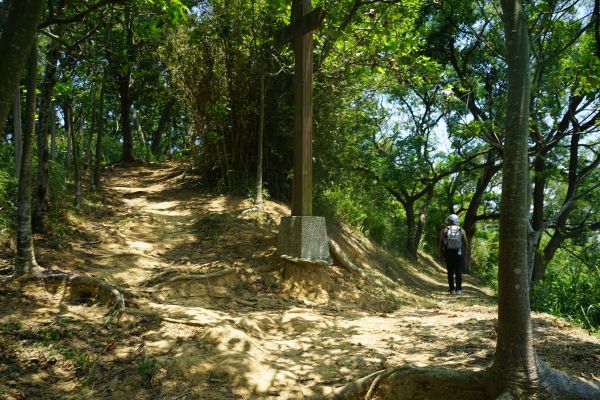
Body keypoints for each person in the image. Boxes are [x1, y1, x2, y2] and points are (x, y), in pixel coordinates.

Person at [438, 214, 468, 295]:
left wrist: (440, 253)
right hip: (459, 253)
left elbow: (440, 242)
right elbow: (465, 243)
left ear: (450, 221)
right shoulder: (461, 230)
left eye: (448, 220)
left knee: (450, 271)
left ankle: (452, 289)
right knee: (458, 271)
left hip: (448, 253)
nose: (447, 221)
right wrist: (465, 253)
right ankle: (459, 290)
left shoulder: (445, 230)